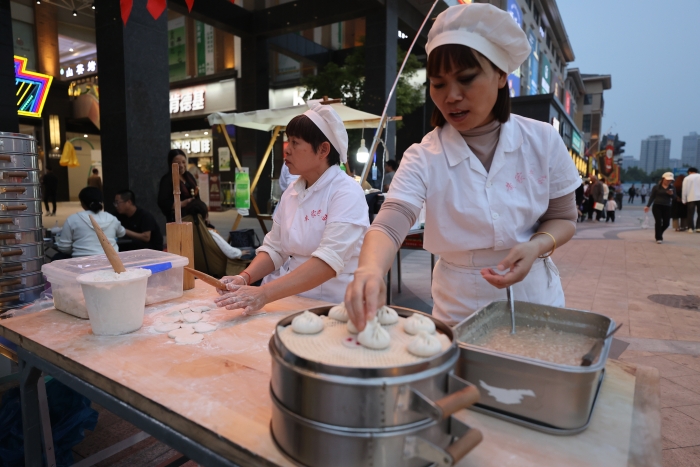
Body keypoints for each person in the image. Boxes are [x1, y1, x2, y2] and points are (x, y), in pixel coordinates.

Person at [344, 3, 581, 329]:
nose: (451, 95)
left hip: (535, 297)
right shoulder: (423, 156)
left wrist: (537, 246)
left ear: (501, 75)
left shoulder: (542, 141)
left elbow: (564, 217)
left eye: (466, 79)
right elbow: (390, 223)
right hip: (460, 304)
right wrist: (369, 270)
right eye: (438, 84)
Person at [214, 101, 369, 313]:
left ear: (323, 150)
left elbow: (328, 261)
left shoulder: (346, 192)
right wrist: (244, 278)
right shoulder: (292, 192)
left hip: (333, 306)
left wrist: (264, 293)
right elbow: (275, 248)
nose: (287, 150)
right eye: (288, 141)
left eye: (295, 143)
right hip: (289, 299)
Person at [56, 187, 125, 258]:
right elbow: (122, 233)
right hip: (111, 261)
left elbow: (63, 247)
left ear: (82, 203)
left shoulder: (72, 219)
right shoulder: (112, 218)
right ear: (101, 201)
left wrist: (78, 250)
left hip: (82, 262)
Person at [157, 149, 200, 223]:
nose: (181, 165)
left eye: (183, 162)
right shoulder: (167, 180)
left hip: (194, 217)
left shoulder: (189, 176)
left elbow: (197, 196)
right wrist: (183, 203)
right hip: (178, 219)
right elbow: (163, 202)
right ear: (171, 164)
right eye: (177, 162)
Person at [644, 173, 675, 244]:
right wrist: (648, 205)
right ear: (663, 179)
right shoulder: (656, 187)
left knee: (666, 223)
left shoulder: (672, 188)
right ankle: (659, 237)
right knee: (658, 222)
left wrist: (671, 194)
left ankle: (659, 232)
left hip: (667, 206)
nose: (669, 181)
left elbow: (674, 197)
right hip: (657, 206)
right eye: (667, 180)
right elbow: (652, 197)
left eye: (670, 180)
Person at [682, 167, 700, 232]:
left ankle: (690, 228)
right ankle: (698, 227)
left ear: (689, 172)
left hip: (691, 197)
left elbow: (684, 190)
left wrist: (684, 199)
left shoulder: (687, 178)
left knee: (690, 214)